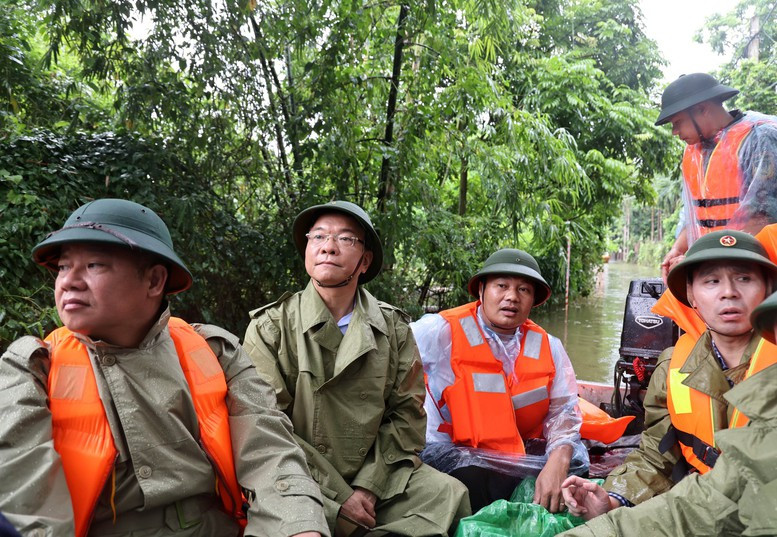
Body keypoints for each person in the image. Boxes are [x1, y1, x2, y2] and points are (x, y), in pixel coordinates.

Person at [0, 199, 328, 537]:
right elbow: (28, 504)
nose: (69, 282)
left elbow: (270, 450)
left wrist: (298, 527)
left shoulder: (214, 352)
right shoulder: (32, 368)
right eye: (64, 267)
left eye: (95, 265)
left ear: (155, 281)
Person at [243, 200, 470, 536]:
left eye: (345, 239)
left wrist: (367, 487)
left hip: (375, 473)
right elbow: (265, 429)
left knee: (447, 494)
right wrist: (340, 497)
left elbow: (407, 416)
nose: (328, 248)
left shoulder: (393, 329)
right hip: (298, 474)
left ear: (364, 261)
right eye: (317, 236)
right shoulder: (271, 327)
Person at [560, 229, 777, 519]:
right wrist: (613, 500)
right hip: (704, 504)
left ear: (768, 289)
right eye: (712, 281)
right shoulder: (671, 366)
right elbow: (656, 453)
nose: (728, 292)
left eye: (744, 279)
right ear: (691, 296)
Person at [411, 248, 587, 513]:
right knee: (471, 476)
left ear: (533, 299)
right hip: (453, 454)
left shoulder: (549, 346)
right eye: (501, 286)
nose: (511, 297)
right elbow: (387, 358)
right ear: (481, 290)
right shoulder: (440, 331)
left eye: (523, 290)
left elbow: (564, 413)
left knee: (574, 465)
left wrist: (558, 461)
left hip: (514, 454)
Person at [657, 72, 777, 281]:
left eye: (677, 122)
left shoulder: (759, 137)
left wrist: (701, 257)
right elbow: (694, 216)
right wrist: (678, 249)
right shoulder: (693, 153)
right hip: (714, 264)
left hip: (758, 266)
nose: (674, 132)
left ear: (702, 109)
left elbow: (762, 216)